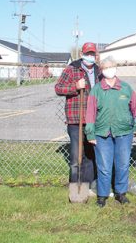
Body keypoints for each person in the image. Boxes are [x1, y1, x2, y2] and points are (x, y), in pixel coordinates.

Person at [85, 56, 136, 207]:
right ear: (102, 70)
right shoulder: (97, 89)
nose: (110, 69)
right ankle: (102, 195)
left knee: (122, 164)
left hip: (123, 133)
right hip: (102, 134)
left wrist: (133, 126)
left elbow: (135, 107)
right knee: (104, 166)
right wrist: (90, 133)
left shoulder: (126, 88)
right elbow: (90, 113)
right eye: (106, 67)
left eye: (112, 67)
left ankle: (120, 193)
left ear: (116, 68)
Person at [54, 42, 102, 193]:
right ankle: (75, 185)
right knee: (76, 156)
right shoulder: (72, 69)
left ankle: (89, 184)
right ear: (82, 54)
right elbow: (58, 88)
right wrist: (75, 86)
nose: (90, 56)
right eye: (87, 53)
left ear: (95, 55)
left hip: (94, 120)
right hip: (76, 119)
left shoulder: (99, 71)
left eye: (92, 54)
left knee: (90, 154)